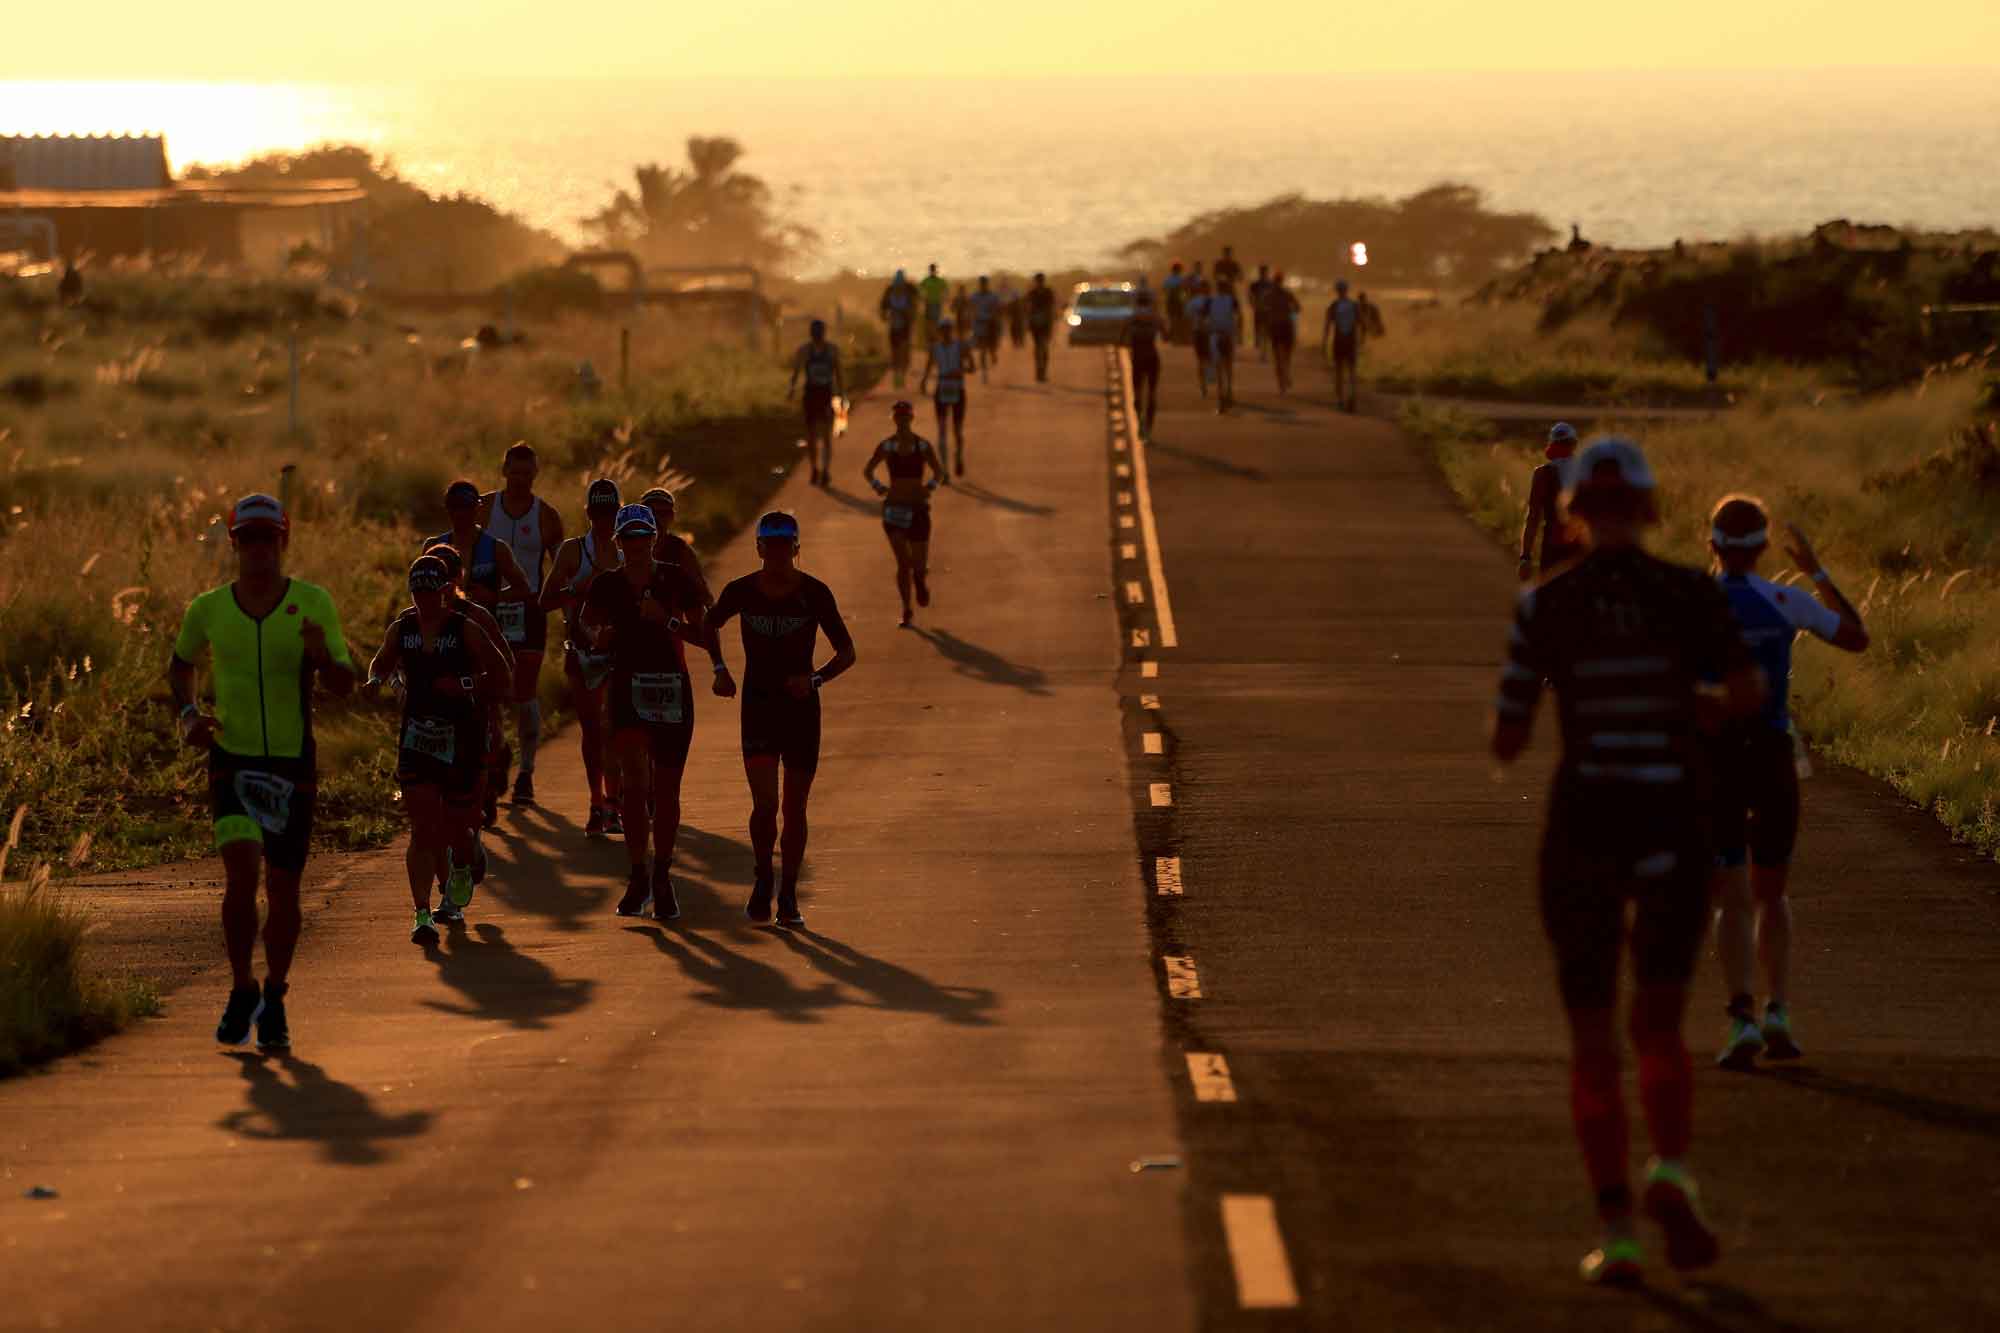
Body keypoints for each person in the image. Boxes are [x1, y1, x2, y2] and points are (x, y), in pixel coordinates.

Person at [1490, 437, 1764, 1286]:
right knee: (1659, 1023)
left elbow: (1508, 739)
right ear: (1648, 510)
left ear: (1573, 511)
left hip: (1584, 829)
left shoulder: (1547, 606)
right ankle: (1671, 1170)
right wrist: (1693, 704)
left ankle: (1617, 1233)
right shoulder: (1689, 595)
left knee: (1591, 1038)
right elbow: (1748, 692)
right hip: (1672, 822)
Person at [169, 493, 356, 1052]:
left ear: (284, 540)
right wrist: (188, 715)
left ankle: (274, 994)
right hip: (233, 757)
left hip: (292, 760)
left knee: (284, 886)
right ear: (233, 543)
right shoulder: (208, 609)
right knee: (241, 876)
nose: (258, 549)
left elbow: (346, 683)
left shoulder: (313, 603)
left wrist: (323, 657)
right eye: (247, 538)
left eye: (267, 538)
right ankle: (240, 987)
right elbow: (181, 665)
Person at [1707, 496, 1869, 1070]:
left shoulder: (1696, 604)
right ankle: (1778, 1010)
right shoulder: (1786, 600)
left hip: (1718, 760)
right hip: (1773, 757)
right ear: (1761, 549)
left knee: (1731, 892)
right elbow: (1856, 636)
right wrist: (1818, 573)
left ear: (1713, 546)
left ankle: (1741, 1016)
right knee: (1771, 891)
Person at [708, 512, 857, 927]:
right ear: (758, 549)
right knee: (765, 805)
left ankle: (788, 891)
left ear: (795, 549)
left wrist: (814, 680)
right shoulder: (741, 591)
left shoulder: (814, 594)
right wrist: (719, 669)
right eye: (768, 546)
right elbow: (709, 622)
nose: (776, 555)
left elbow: (847, 653)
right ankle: (762, 880)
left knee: (794, 808)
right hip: (757, 708)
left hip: (800, 712)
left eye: (783, 546)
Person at [367, 555, 509, 945]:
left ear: (446, 591)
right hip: (418, 737)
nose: (424, 600)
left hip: (462, 737)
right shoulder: (403, 628)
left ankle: (462, 864)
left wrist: (463, 686)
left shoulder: (466, 629)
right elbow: (381, 664)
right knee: (422, 828)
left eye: (431, 592)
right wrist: (382, 682)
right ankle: (421, 913)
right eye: (418, 593)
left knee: (457, 827)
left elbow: (501, 677)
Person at [583, 504, 714, 919]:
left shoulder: (676, 578)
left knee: (667, 791)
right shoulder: (607, 584)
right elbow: (585, 625)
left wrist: (668, 623)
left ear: (654, 539)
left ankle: (662, 875)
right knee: (635, 787)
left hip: (671, 688)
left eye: (644, 537)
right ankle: (639, 873)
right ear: (618, 542)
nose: (637, 545)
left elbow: (705, 634)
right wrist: (598, 636)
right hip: (626, 689)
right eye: (629, 538)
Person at [417, 536, 515, 912]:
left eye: (444, 573)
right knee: (435, 814)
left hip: (476, 724)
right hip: (427, 731)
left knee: (463, 811)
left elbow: (505, 673)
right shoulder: (413, 621)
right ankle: (448, 895)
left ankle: (469, 843)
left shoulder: (477, 618)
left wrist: (471, 692)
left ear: (457, 577)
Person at [428, 478, 530, 827]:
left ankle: (488, 780)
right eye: (455, 507)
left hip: (483, 638)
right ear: (448, 510)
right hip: (443, 646)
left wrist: (494, 597)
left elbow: (523, 587)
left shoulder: (494, 548)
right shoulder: (434, 547)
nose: (461, 514)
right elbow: (417, 589)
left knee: (489, 719)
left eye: (467, 507)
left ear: (477, 510)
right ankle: (458, 786)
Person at [479, 443, 563, 807]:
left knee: (524, 690)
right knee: (488, 691)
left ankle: (526, 773)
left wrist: (557, 605)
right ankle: (494, 760)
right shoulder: (483, 508)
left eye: (527, 474)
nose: (520, 480)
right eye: (514, 472)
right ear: (503, 471)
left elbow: (561, 569)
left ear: (535, 474)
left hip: (528, 612)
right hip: (488, 611)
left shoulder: (546, 516)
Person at [541, 478, 625, 836]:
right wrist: (577, 586)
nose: (604, 521)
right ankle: (596, 803)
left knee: (615, 730)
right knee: (593, 730)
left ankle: (613, 805)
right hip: (580, 650)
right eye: (598, 513)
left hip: (620, 651)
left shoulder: (627, 550)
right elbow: (545, 600)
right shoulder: (573, 551)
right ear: (587, 512)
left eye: (610, 514)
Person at [862, 400, 946, 627]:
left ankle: (919, 579)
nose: (902, 421)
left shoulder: (922, 446)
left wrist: (928, 489)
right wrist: (881, 489)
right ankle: (907, 609)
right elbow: (868, 470)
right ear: (894, 420)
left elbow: (939, 472)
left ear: (911, 418)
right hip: (894, 510)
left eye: (905, 417)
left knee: (918, 564)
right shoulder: (887, 447)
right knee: (903, 562)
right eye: (898, 417)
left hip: (918, 509)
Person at [1519, 423, 1586, 581]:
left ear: (1551, 443)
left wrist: (1525, 557)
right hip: (1580, 547)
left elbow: (1533, 517)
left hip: (1552, 547)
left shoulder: (1542, 473)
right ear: (1574, 444)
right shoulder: (1586, 471)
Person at [789, 319, 846, 487]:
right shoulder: (805, 350)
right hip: (812, 396)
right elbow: (796, 371)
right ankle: (816, 469)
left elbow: (839, 373)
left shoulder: (831, 351)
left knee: (825, 436)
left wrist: (842, 394)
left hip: (825, 395)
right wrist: (792, 389)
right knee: (812, 437)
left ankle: (824, 471)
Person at [639, 487, 716, 610]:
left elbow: (700, 588)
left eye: (663, 513)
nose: (657, 518)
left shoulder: (680, 550)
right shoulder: (627, 545)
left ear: (672, 516)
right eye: (652, 513)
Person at [919, 317, 974, 479]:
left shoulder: (961, 347)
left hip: (957, 388)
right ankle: (944, 469)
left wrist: (960, 370)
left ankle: (958, 456)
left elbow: (972, 367)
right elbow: (928, 366)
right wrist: (924, 381)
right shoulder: (935, 349)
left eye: (948, 330)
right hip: (942, 389)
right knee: (942, 429)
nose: (946, 333)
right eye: (943, 330)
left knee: (957, 430)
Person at [1118, 289, 1165, 438]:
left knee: (1137, 394)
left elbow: (1121, 339)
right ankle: (1149, 429)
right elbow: (1166, 335)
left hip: (1137, 358)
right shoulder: (1155, 318)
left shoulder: (1131, 318)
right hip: (1152, 357)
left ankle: (1140, 424)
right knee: (1152, 394)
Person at [1323, 280, 1363, 413]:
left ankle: (1340, 400)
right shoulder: (1354, 305)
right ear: (1347, 290)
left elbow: (1328, 325)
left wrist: (1324, 342)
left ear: (1337, 291)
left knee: (1339, 372)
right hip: (1351, 341)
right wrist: (1361, 341)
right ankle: (1353, 397)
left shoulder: (1333, 306)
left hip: (1339, 341)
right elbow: (1361, 323)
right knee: (1352, 371)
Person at [1261, 271, 1302, 394]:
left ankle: (1281, 382)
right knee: (1286, 355)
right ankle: (1286, 375)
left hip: (1275, 326)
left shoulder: (1269, 295)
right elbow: (1298, 307)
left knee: (1277, 356)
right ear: (1281, 281)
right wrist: (1289, 310)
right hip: (1285, 325)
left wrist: (1270, 314)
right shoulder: (1287, 294)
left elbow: (1262, 308)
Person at [1207, 278, 1243, 412]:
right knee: (1228, 366)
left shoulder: (1210, 300)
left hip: (1216, 336)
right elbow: (1239, 316)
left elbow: (1205, 318)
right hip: (1228, 335)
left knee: (1218, 368)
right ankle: (1229, 392)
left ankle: (1221, 396)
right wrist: (1237, 332)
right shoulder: (1232, 300)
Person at [878, 270, 918, 390]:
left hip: (905, 327)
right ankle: (897, 377)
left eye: (900, 286)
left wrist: (906, 314)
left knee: (904, 353)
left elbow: (913, 308)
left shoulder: (908, 293)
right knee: (895, 354)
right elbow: (882, 307)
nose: (898, 288)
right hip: (894, 327)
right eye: (897, 286)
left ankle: (902, 376)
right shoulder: (889, 292)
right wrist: (885, 316)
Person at [1026, 273, 1057, 383]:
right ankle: (1039, 371)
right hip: (1036, 324)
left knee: (1043, 347)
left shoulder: (1048, 292)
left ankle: (1042, 371)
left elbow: (1052, 307)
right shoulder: (1032, 293)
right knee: (1039, 347)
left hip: (1045, 324)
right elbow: (1028, 308)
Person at [970, 276, 1003, 379]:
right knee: (982, 350)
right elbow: (971, 309)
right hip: (979, 325)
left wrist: (993, 317)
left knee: (991, 346)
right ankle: (984, 372)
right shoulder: (974, 296)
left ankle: (993, 354)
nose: (983, 285)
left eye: (984, 283)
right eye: (981, 283)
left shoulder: (993, 296)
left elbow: (997, 310)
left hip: (990, 324)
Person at [1185, 279, 1213, 399]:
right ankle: (1206, 381)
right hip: (1209, 333)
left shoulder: (1193, 302)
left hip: (1198, 333)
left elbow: (1187, 316)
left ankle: (1203, 387)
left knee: (1201, 360)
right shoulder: (1214, 301)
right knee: (1208, 359)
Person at [1248, 263, 1273, 361]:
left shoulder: (1270, 284)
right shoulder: (1255, 285)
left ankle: (1264, 354)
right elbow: (1250, 296)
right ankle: (1262, 353)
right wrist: (1253, 304)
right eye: (1262, 271)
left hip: (1266, 310)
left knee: (1265, 332)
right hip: (1259, 310)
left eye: (1264, 271)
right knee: (1259, 331)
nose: (1263, 273)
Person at [918, 263, 949, 341]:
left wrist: (944, 297)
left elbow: (946, 288)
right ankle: (930, 338)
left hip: (937, 303)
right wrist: (923, 297)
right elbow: (919, 288)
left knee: (937, 321)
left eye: (933, 269)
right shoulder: (927, 280)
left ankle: (936, 337)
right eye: (931, 269)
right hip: (929, 303)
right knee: (929, 322)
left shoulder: (939, 281)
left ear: (935, 270)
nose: (932, 271)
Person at [1162, 261, 1187, 344]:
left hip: (1175, 301)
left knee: (1174, 319)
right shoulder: (1179, 279)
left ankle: (1173, 336)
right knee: (1175, 319)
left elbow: (1164, 289)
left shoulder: (1169, 279)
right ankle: (1174, 336)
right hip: (1175, 301)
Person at [1004, 278, 1026, 349]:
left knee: (1016, 330)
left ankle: (1018, 342)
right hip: (1018, 320)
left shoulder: (1016, 303)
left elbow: (1007, 312)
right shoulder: (1019, 303)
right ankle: (1019, 342)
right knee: (1017, 330)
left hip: (1018, 320)